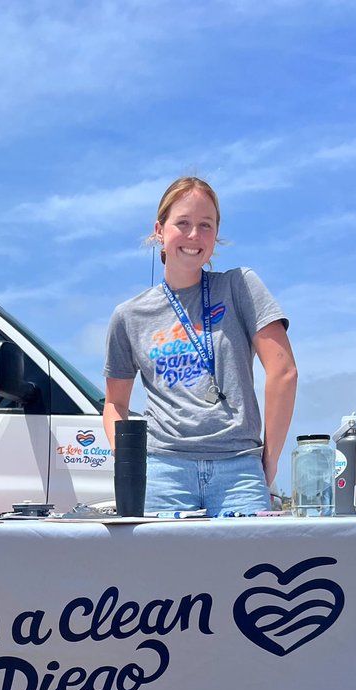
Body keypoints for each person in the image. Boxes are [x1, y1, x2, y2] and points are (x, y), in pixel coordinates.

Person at [103, 176, 297, 515]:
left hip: (239, 471)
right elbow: (115, 404)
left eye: (205, 225)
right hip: (163, 473)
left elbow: (284, 372)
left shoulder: (239, 287)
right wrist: (130, 463)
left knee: (249, 569)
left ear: (216, 234)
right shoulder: (129, 315)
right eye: (183, 223)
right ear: (159, 230)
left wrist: (270, 458)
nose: (194, 236)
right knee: (160, 570)